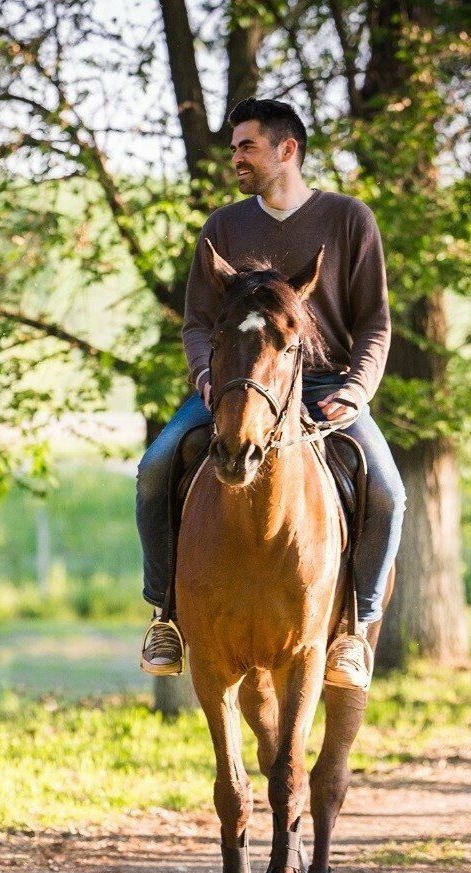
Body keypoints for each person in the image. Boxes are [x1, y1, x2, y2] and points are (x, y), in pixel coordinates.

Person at [134, 98, 405, 690]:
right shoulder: (222, 227)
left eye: (246, 146)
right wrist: (207, 376)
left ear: (287, 150)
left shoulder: (349, 220)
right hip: (233, 386)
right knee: (155, 467)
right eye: (234, 148)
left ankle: (354, 631)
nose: (235, 157)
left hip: (327, 385)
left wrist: (357, 391)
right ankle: (164, 616)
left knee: (387, 491)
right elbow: (198, 324)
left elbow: (375, 324)